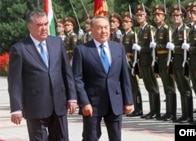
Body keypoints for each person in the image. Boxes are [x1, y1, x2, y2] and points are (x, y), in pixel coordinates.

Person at [8, 10, 77, 141]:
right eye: (40, 25)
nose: (44, 28)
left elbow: (66, 72)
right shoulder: (20, 48)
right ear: (30, 27)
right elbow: (15, 82)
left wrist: (72, 97)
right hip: (35, 106)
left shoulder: (57, 43)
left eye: (46, 24)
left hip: (59, 104)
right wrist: (16, 108)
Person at [72, 15, 134, 141]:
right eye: (99, 28)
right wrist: (84, 102)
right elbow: (77, 79)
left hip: (115, 102)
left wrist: (128, 101)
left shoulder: (118, 48)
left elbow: (125, 77)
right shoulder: (82, 50)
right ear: (92, 29)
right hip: (92, 103)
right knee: (91, 137)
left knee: (116, 137)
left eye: (106, 27)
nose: (104, 31)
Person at [133, 4, 161, 119]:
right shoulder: (140, 31)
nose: (139, 17)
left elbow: (152, 47)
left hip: (150, 61)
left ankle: (156, 111)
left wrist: (141, 49)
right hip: (143, 62)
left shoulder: (151, 29)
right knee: (148, 86)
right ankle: (152, 110)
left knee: (153, 86)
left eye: (141, 15)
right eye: (137, 15)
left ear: (146, 16)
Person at [168, 4, 193, 124]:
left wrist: (176, 48)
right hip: (176, 63)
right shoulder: (174, 31)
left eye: (178, 16)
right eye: (174, 16)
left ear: (183, 17)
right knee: (181, 89)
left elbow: (187, 48)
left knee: (186, 88)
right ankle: (184, 114)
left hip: (184, 62)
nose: (175, 18)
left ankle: (189, 115)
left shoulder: (187, 30)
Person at [152, 4, 177, 121]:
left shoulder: (167, 29)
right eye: (155, 15)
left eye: (159, 15)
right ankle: (168, 111)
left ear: (164, 16)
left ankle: (172, 112)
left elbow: (169, 45)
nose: (157, 17)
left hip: (167, 60)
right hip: (161, 61)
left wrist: (157, 45)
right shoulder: (157, 30)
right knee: (166, 87)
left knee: (170, 86)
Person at [121, 12, 143, 117]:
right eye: (123, 22)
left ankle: (139, 108)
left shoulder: (133, 35)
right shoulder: (124, 35)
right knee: (129, 86)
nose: (124, 24)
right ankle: (134, 106)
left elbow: (136, 52)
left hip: (132, 62)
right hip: (125, 62)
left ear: (132, 24)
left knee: (135, 87)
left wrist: (135, 64)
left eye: (127, 22)